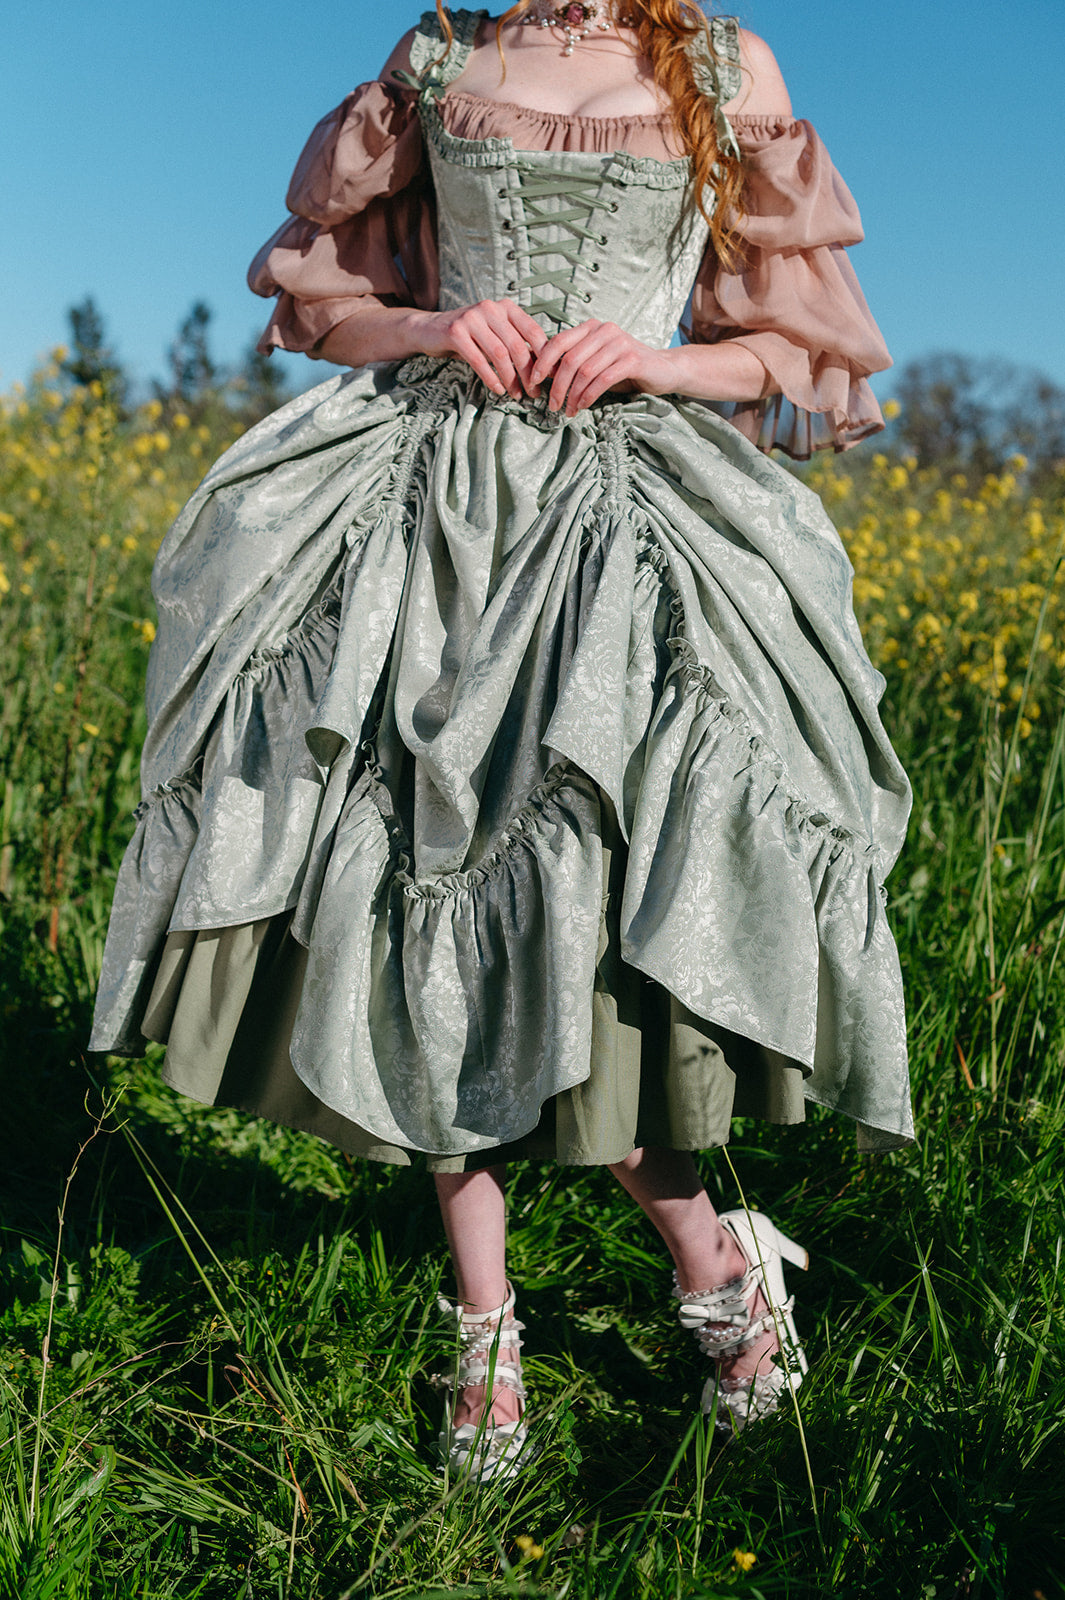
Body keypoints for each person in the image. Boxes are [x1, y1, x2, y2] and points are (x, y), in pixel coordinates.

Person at [90, 1, 913, 1480]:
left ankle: (715, 1263)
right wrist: (429, 322)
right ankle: (487, 1336)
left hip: (625, 528)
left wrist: (657, 363)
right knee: (412, 896)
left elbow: (790, 353)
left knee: (585, 925)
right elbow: (325, 309)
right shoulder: (428, 68)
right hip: (420, 510)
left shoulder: (726, 70)